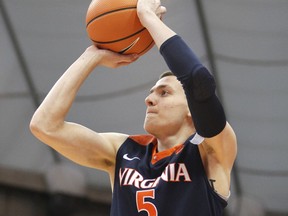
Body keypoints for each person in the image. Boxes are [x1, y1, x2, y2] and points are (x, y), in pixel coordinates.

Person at [30, 0, 237, 215]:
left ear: (191, 110)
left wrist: (147, 18)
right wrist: (91, 57)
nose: (149, 100)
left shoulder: (210, 151)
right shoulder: (123, 151)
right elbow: (44, 125)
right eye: (151, 93)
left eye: (164, 92)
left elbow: (198, 81)